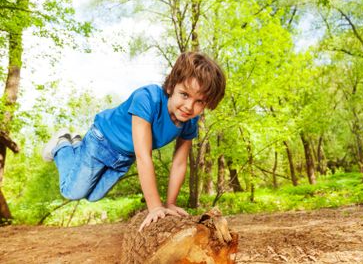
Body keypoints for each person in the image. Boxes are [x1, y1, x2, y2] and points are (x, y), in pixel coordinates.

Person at [42, 51, 226, 231]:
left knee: (93, 196)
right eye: (184, 94)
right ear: (171, 86)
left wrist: (170, 204)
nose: (189, 106)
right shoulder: (148, 98)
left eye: (200, 101)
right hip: (101, 142)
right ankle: (63, 145)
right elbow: (143, 155)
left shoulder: (189, 122)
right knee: (71, 192)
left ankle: (75, 144)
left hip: (123, 158)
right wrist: (155, 207)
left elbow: (179, 163)